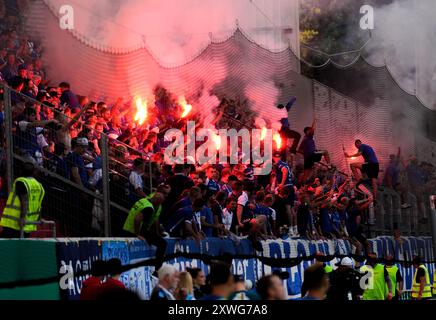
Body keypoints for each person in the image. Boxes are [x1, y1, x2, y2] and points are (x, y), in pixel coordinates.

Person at [123, 191, 168, 270]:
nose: (159, 206)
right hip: (134, 231)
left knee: (155, 238)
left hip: (127, 227)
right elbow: (137, 219)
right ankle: (158, 269)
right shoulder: (149, 208)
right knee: (163, 243)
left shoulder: (143, 200)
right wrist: (138, 234)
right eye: (159, 203)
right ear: (157, 202)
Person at [0, 162, 45, 238]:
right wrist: (40, 218)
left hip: (15, 223)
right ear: (33, 172)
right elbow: (38, 203)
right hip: (28, 225)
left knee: (4, 246)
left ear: (21, 171)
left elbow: (25, 201)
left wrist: (22, 218)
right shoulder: (38, 185)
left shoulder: (21, 182)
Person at [298, 118, 331, 184]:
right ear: (307, 132)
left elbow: (299, 150)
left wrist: (305, 154)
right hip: (312, 154)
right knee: (325, 152)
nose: (312, 131)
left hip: (307, 158)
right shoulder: (308, 137)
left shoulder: (305, 139)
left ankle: (301, 185)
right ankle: (329, 166)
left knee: (307, 172)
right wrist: (314, 121)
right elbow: (312, 129)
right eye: (310, 130)